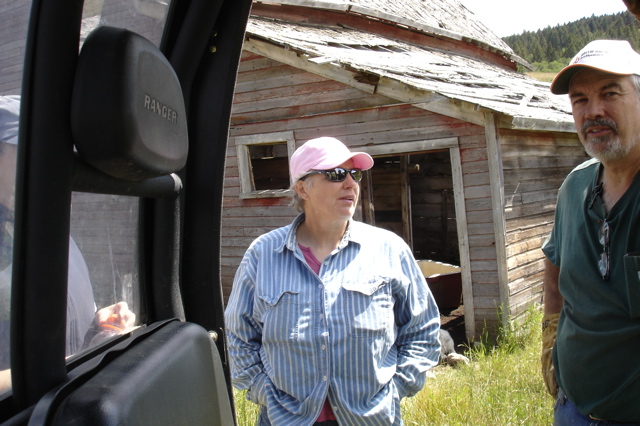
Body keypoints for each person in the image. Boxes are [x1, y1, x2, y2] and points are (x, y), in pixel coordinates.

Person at [225, 136, 441, 425]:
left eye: (355, 174)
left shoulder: (389, 249)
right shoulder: (262, 254)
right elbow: (238, 335)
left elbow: (422, 327)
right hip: (286, 419)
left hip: (371, 418)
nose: (351, 183)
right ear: (302, 188)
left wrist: (397, 388)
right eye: (336, 174)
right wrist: (262, 391)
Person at [0, 95, 135, 391]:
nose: (52, 164)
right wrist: (76, 363)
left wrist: (97, 327)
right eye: (29, 149)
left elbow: (62, 334)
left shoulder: (52, 233)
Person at [542, 40, 640, 424]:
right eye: (579, 99)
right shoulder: (574, 187)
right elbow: (555, 272)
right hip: (573, 407)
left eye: (610, 93)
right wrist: (550, 342)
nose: (593, 111)